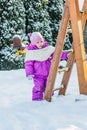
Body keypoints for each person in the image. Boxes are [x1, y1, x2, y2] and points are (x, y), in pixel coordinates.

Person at [25, 32, 55, 101]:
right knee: (39, 87)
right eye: (37, 42)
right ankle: (37, 100)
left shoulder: (47, 49)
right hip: (38, 75)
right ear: (33, 43)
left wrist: (65, 55)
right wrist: (29, 73)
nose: (40, 43)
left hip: (48, 73)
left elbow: (56, 53)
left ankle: (49, 98)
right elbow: (28, 64)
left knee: (49, 85)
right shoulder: (32, 52)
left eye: (41, 41)